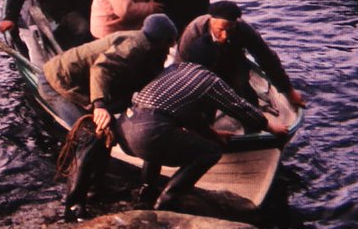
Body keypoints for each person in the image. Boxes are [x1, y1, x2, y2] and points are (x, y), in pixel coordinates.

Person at [116, 37, 289, 211]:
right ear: (214, 61)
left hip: (125, 127)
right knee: (210, 152)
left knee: (158, 143)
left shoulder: (174, 69)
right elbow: (238, 107)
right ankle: (167, 200)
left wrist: (212, 133)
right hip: (149, 132)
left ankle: (147, 191)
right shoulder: (208, 79)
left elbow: (189, 116)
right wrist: (268, 126)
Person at [43, 13, 178, 221]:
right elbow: (101, 69)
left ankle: (96, 190)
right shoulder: (134, 46)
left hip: (88, 86)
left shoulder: (153, 51)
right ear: (160, 40)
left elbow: (150, 81)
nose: (171, 49)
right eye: (169, 44)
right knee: (89, 136)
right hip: (59, 82)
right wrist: (99, 106)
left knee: (108, 133)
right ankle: (73, 205)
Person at [177, 0, 305, 111]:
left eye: (230, 30)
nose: (225, 36)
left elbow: (267, 59)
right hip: (200, 69)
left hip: (232, 62)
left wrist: (288, 91)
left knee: (245, 93)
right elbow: (179, 68)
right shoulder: (193, 31)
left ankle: (254, 125)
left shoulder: (244, 30)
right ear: (211, 22)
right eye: (220, 30)